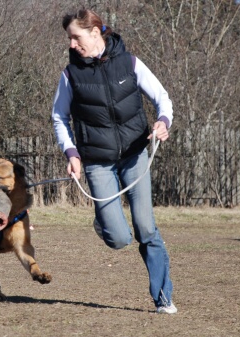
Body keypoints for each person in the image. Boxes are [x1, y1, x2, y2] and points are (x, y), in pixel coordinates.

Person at [51, 9, 177, 314]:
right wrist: (72, 153)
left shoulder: (129, 62)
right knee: (120, 238)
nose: (71, 44)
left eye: (75, 37)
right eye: (69, 38)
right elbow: (59, 116)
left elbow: (163, 98)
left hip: (135, 155)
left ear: (95, 34)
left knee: (146, 228)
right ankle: (105, 222)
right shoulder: (71, 75)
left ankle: (163, 297)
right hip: (97, 162)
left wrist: (162, 122)